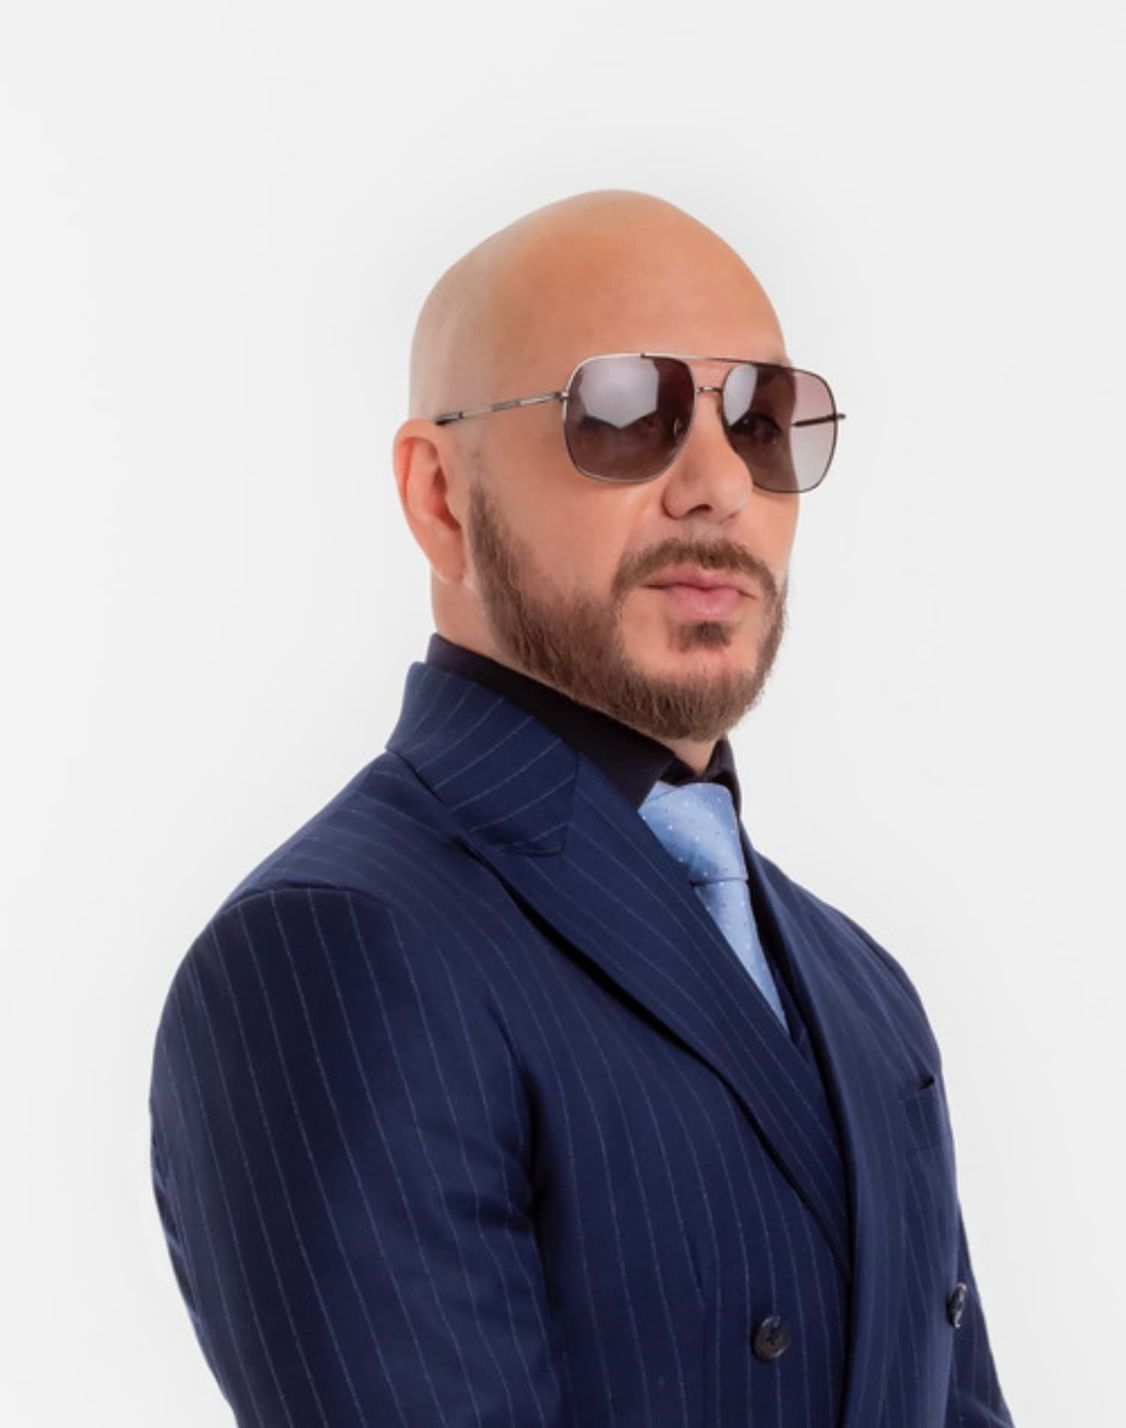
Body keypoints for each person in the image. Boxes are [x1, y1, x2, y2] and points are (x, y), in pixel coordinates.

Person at [148, 188, 1015, 1427]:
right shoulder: (336, 947)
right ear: (441, 496)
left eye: (761, 422)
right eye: (623, 413)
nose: (717, 485)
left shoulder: (864, 988)